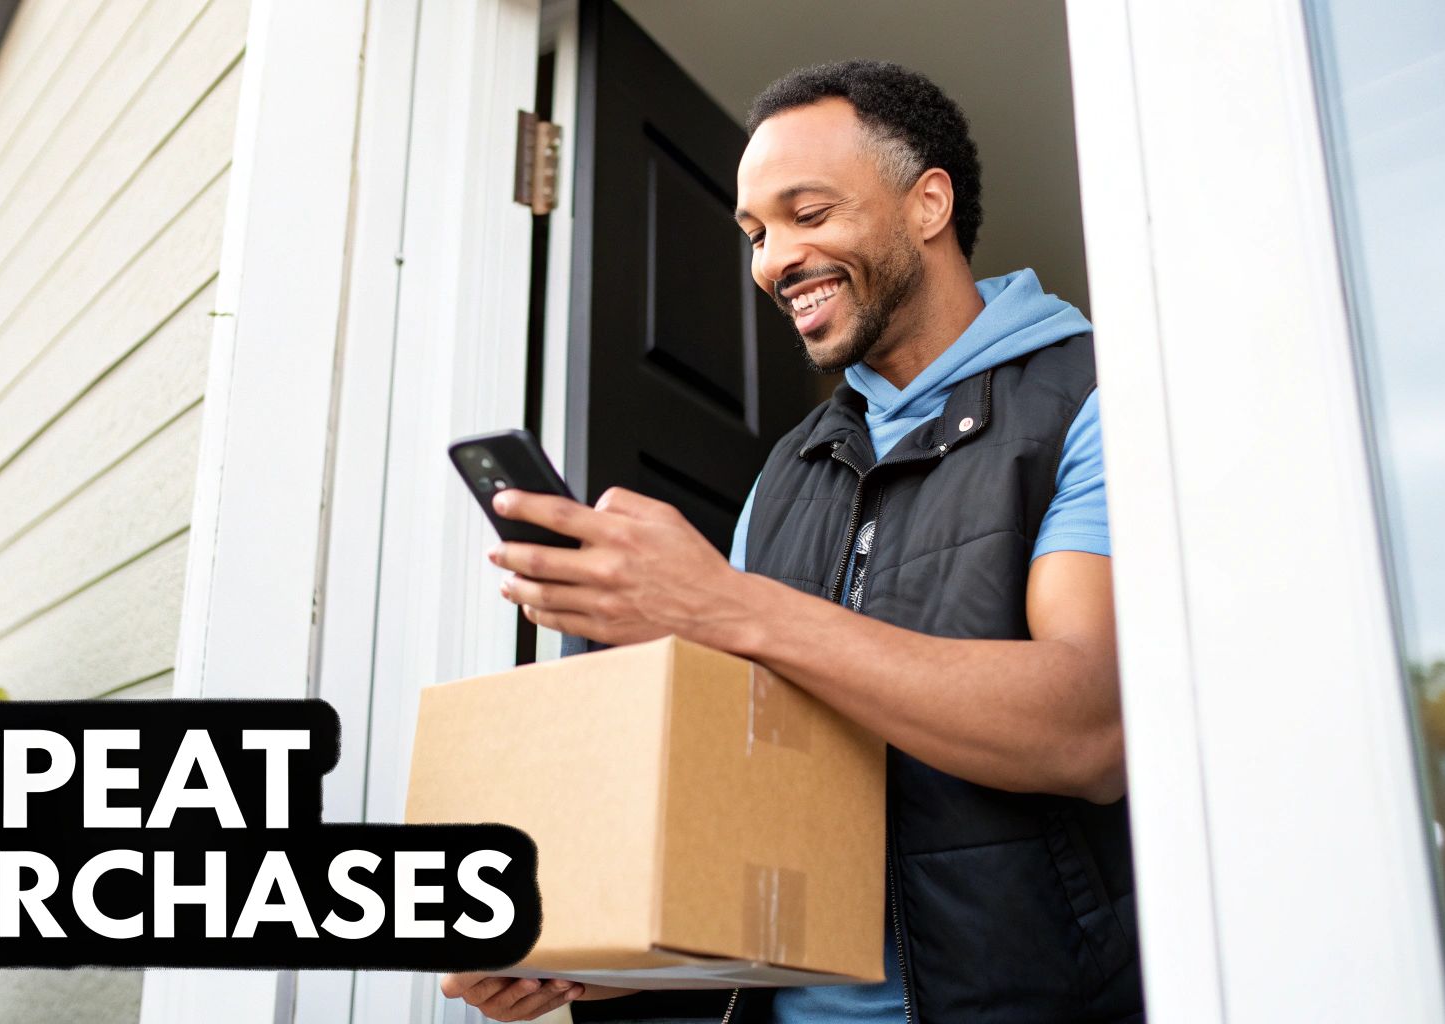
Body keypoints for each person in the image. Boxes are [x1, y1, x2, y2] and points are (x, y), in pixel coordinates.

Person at [442, 60, 1143, 1023]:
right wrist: (586, 957)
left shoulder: (1093, 400)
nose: (774, 261)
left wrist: (727, 606)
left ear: (929, 203)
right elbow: (760, 804)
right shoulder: (787, 473)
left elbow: (1091, 727)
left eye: (807, 214)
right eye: (757, 234)